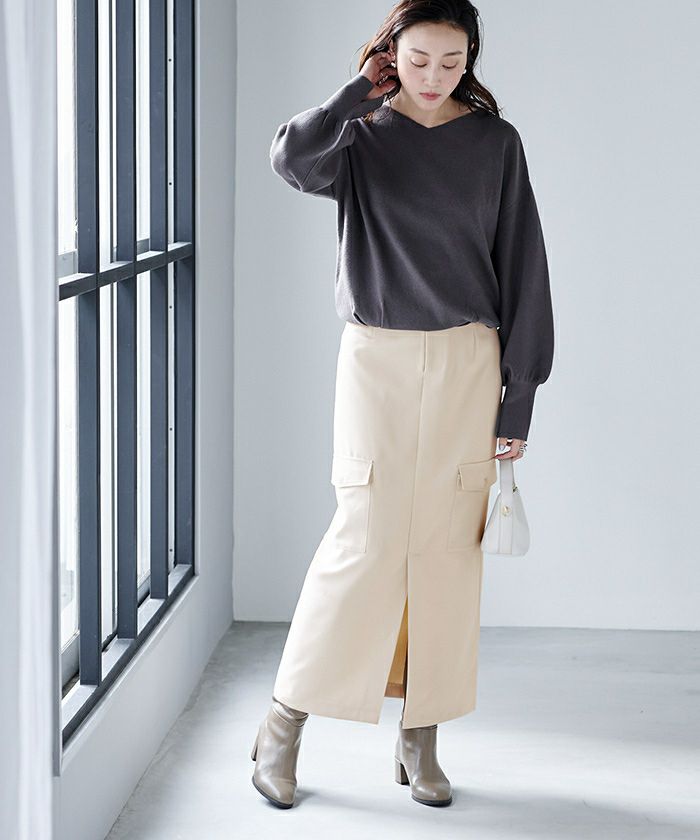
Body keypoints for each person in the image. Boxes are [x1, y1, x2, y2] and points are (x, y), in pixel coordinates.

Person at [251, 0, 554, 809]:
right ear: (390, 52)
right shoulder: (358, 133)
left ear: (471, 58)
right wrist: (358, 93)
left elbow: (523, 265)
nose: (434, 76)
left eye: (452, 61)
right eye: (418, 59)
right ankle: (282, 724)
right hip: (376, 359)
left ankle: (421, 735)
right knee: (365, 537)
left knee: (449, 549)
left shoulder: (495, 143)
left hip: (468, 361)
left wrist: (518, 398)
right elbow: (290, 161)